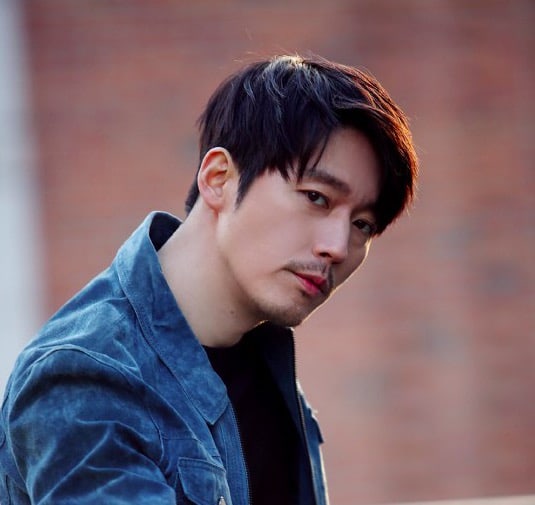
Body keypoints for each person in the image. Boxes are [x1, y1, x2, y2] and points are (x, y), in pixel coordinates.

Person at [0, 54, 418, 504]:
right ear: (218, 178)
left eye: (362, 225)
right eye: (317, 197)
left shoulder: (265, 364)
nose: (337, 246)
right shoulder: (86, 377)